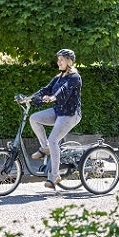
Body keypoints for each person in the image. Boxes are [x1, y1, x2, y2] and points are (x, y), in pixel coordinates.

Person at [29, 49, 82, 189]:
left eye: (61, 60)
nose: (58, 62)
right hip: (59, 112)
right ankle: (45, 147)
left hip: (70, 114)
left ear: (69, 61)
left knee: (54, 140)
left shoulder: (74, 77)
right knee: (34, 118)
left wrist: (52, 98)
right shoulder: (59, 77)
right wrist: (28, 98)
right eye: (58, 60)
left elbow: (63, 91)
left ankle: (54, 176)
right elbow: (46, 89)